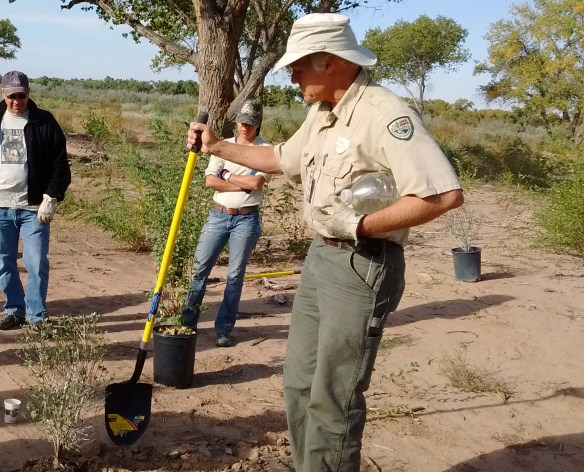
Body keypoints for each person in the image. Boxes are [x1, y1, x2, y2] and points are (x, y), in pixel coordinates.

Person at [187, 13, 464, 472]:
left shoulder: (384, 113)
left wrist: (359, 225)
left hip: (361, 264)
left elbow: (441, 195)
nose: (292, 76)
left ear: (329, 62)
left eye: (298, 67)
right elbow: (278, 158)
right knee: (298, 383)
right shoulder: (321, 115)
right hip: (320, 259)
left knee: (332, 396)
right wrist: (217, 147)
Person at [0, 71, 71, 330]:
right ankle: (14, 311)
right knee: (4, 262)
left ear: (28, 93)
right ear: (3, 94)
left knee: (36, 263)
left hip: (33, 207)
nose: (16, 101)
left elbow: (59, 161)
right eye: (12, 96)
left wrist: (51, 196)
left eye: (21, 95)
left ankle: (37, 317)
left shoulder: (44, 121)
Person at [182, 99, 271, 348]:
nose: (246, 127)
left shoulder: (265, 149)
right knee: (199, 270)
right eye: (243, 122)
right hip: (218, 214)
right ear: (237, 122)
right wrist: (239, 181)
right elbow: (210, 181)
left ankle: (223, 329)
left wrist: (226, 175)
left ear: (258, 124)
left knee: (234, 276)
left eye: (251, 123)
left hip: (247, 218)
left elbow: (256, 184)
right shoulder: (223, 145)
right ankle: (188, 323)